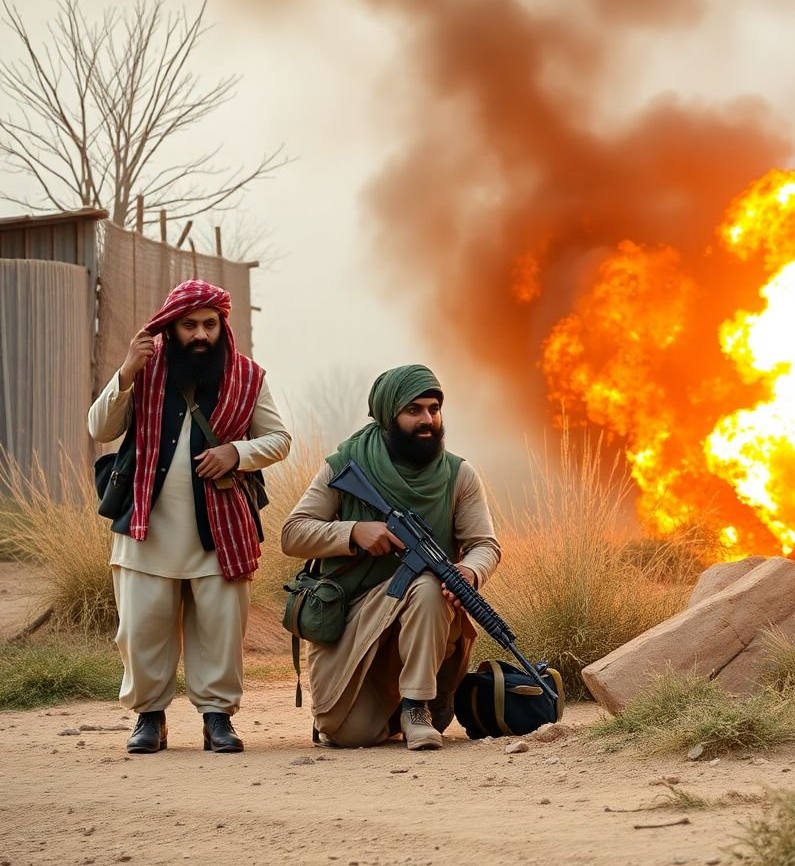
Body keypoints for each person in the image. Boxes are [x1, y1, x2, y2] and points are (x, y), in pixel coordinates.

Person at [87, 279, 291, 755]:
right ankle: (149, 719)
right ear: (170, 328)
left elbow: (279, 440)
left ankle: (217, 719)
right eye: (190, 325)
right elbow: (100, 428)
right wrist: (125, 372)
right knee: (141, 628)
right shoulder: (145, 370)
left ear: (222, 326)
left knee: (220, 629)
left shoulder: (248, 376)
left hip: (222, 530)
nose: (201, 335)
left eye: (210, 324)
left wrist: (235, 453)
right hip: (146, 528)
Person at [280, 364, 501, 750]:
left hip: (424, 617)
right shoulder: (344, 466)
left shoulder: (458, 474)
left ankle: (416, 706)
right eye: (413, 410)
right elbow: (293, 533)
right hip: (353, 617)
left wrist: (470, 570)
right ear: (388, 416)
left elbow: (486, 544)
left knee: (430, 587)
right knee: (353, 735)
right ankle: (383, 705)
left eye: (434, 409)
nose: (427, 419)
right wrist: (352, 532)